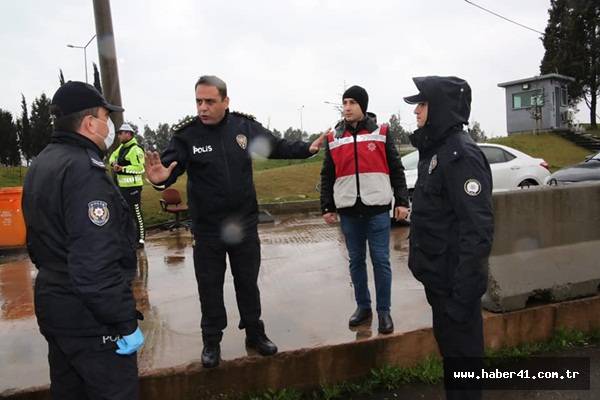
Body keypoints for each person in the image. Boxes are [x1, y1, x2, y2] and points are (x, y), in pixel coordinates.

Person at [144, 75, 325, 368]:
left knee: (247, 282)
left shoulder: (244, 127)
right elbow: (167, 168)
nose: (203, 108)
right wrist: (160, 180)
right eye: (198, 102)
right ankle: (211, 341)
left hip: (243, 224)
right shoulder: (186, 136)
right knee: (209, 286)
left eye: (209, 101)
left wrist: (307, 148)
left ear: (226, 101)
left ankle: (255, 333)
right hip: (208, 229)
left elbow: (275, 146)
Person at [22, 81, 144, 400]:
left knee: (69, 391)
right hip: (89, 318)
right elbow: (95, 264)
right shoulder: (84, 172)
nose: (109, 126)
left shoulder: (42, 162)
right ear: (90, 123)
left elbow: (37, 241)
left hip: (54, 302)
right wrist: (123, 321)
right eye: (106, 117)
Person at [404, 76, 494, 400]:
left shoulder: (462, 156)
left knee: (465, 367)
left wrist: (462, 297)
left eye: (422, 104)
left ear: (440, 107)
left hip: (456, 290)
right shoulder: (437, 151)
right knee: (453, 361)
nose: (416, 111)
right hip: (440, 284)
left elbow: (478, 230)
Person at [320, 85, 410, 334]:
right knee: (356, 262)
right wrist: (327, 205)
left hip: (377, 209)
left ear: (363, 106)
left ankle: (384, 311)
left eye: (352, 102)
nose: (346, 107)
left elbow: (396, 169)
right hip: (349, 211)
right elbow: (328, 174)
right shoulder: (334, 137)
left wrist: (402, 201)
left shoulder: (381, 133)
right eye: (344, 103)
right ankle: (363, 307)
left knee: (381, 261)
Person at [109, 123, 146, 247]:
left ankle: (141, 239)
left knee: (136, 213)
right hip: (122, 187)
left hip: (133, 187)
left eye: (121, 133)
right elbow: (112, 157)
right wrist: (114, 163)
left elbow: (140, 168)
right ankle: (129, 238)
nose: (119, 135)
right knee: (125, 213)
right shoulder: (121, 147)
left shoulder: (136, 149)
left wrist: (122, 169)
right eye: (118, 133)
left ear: (129, 134)